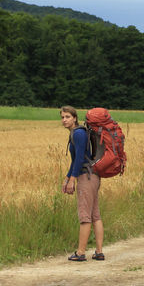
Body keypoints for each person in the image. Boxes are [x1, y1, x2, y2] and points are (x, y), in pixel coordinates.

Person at [60, 106, 104, 261]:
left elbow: (79, 159)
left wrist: (73, 180)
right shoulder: (79, 132)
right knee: (95, 215)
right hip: (93, 176)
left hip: (86, 177)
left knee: (85, 216)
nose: (64, 120)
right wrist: (67, 177)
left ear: (74, 118)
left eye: (67, 117)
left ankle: (80, 252)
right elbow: (76, 160)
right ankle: (98, 252)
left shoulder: (78, 134)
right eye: (62, 117)